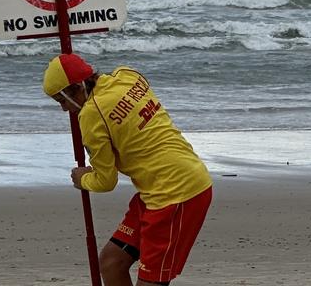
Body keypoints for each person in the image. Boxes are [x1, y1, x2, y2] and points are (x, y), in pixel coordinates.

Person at [42, 53, 212, 286]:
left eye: (61, 101)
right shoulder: (127, 75)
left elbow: (105, 181)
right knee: (111, 262)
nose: (63, 110)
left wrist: (82, 179)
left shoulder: (91, 115)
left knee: (150, 283)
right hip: (155, 190)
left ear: (77, 87)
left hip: (177, 194)